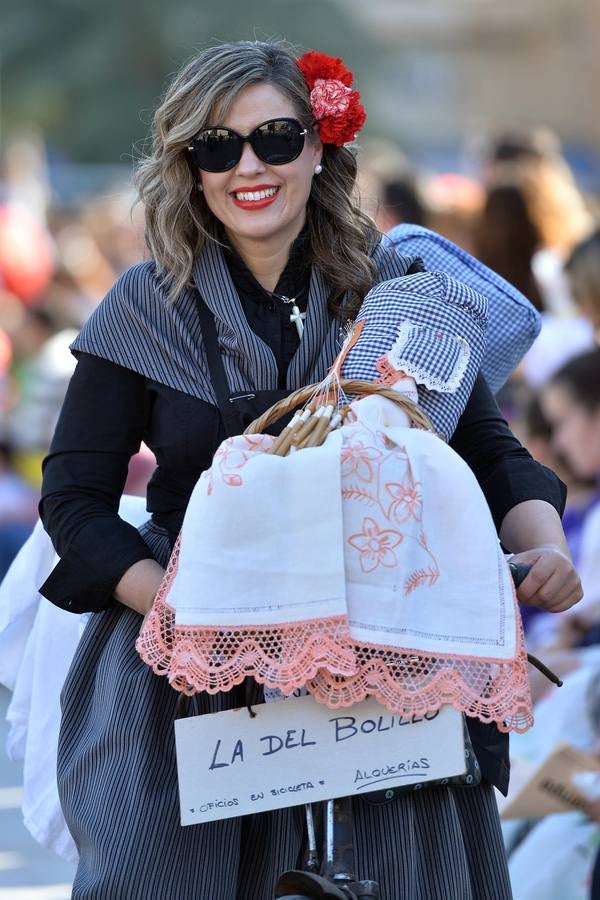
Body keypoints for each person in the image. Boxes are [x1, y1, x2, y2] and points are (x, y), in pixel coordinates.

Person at [38, 40, 580, 900]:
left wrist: (546, 548)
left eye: (276, 138)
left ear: (320, 147)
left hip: (389, 644)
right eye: (217, 146)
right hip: (191, 668)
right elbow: (73, 501)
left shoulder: (403, 289)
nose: (247, 166)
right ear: (190, 167)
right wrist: (190, 610)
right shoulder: (143, 305)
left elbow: (491, 453)